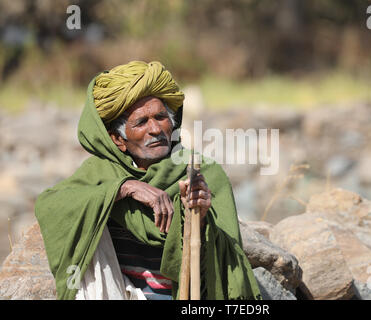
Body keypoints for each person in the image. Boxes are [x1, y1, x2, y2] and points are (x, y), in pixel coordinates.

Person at [34, 60, 261, 300]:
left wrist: (201, 219)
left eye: (161, 117)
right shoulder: (102, 174)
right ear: (117, 140)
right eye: (141, 122)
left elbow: (224, 265)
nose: (155, 129)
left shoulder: (202, 172)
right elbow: (51, 205)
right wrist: (124, 188)